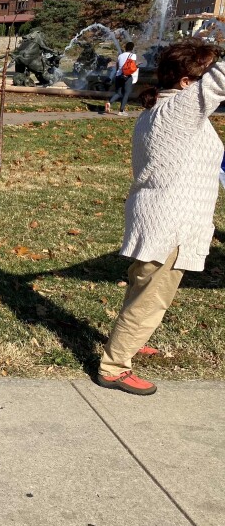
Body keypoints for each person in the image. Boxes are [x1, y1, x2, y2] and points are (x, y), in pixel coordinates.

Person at [98, 39, 225, 395]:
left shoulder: (157, 112)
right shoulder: (181, 109)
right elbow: (222, 80)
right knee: (152, 298)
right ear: (186, 83)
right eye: (203, 77)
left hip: (157, 216)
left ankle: (129, 343)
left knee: (143, 288)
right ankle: (113, 366)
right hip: (171, 221)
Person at [105, 41, 139, 114]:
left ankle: (109, 103)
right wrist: (137, 65)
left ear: (125, 48)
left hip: (118, 76)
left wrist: (119, 73)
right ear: (132, 48)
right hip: (127, 76)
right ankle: (121, 111)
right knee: (126, 93)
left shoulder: (120, 55)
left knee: (118, 93)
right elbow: (132, 66)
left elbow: (117, 67)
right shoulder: (133, 55)